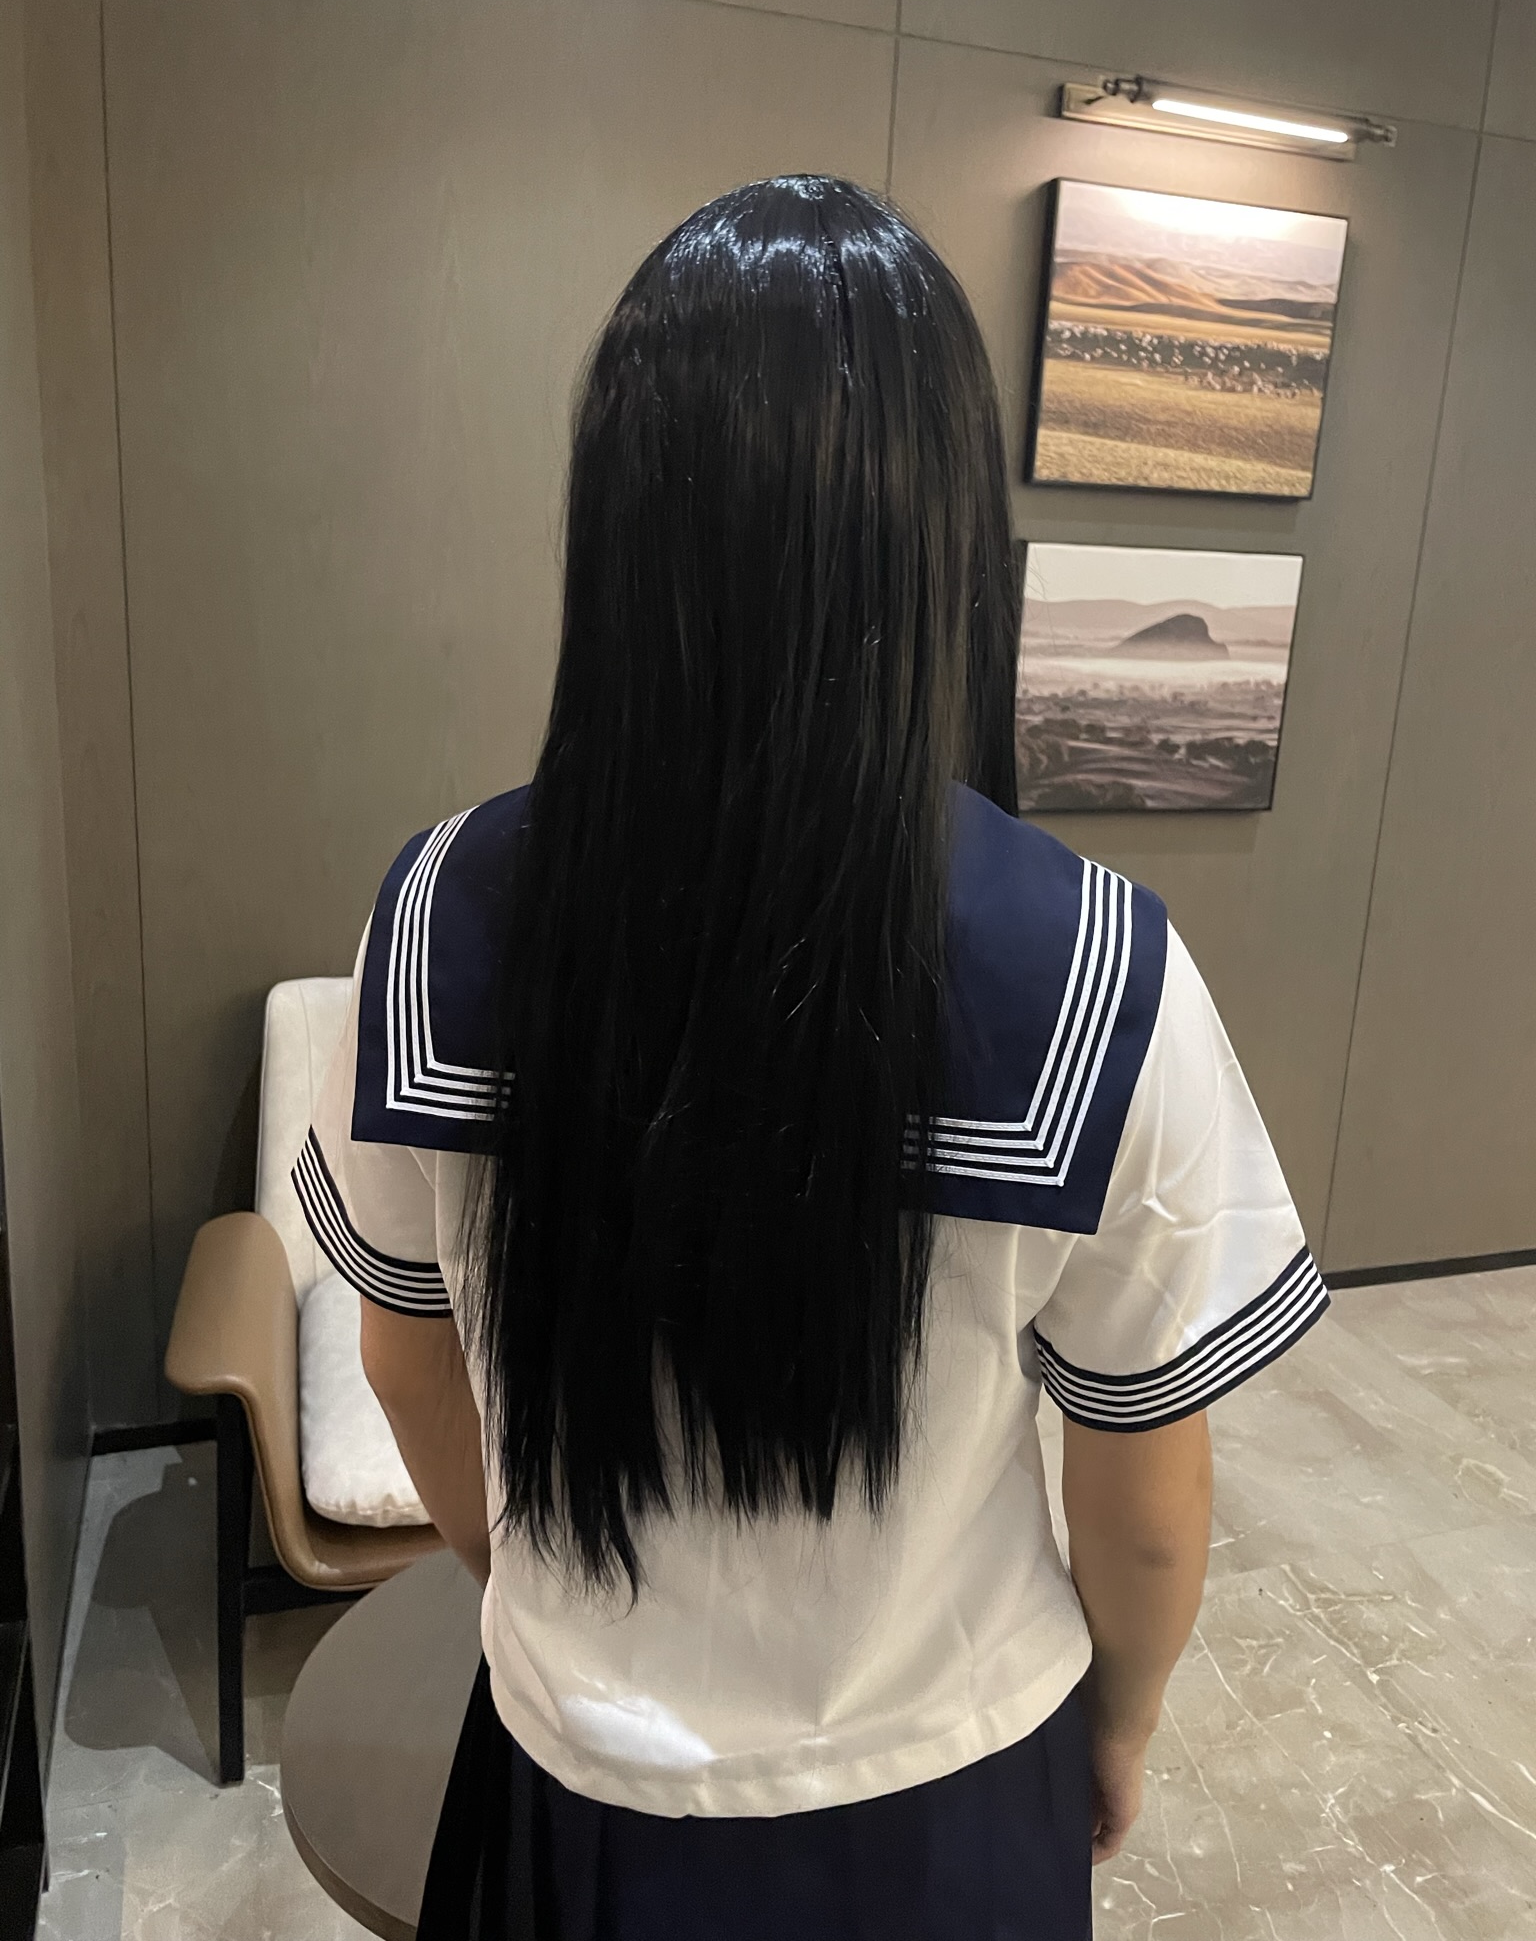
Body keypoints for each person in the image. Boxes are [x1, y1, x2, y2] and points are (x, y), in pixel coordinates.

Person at [292, 175, 1328, 1940]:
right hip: (948, 1792)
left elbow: (407, 1359)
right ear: (941, 536)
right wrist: (1128, 1718)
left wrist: (521, 1587)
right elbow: (1148, 1490)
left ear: (618, 522)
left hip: (572, 1779)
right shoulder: (1098, 968)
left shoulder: (442, 910)